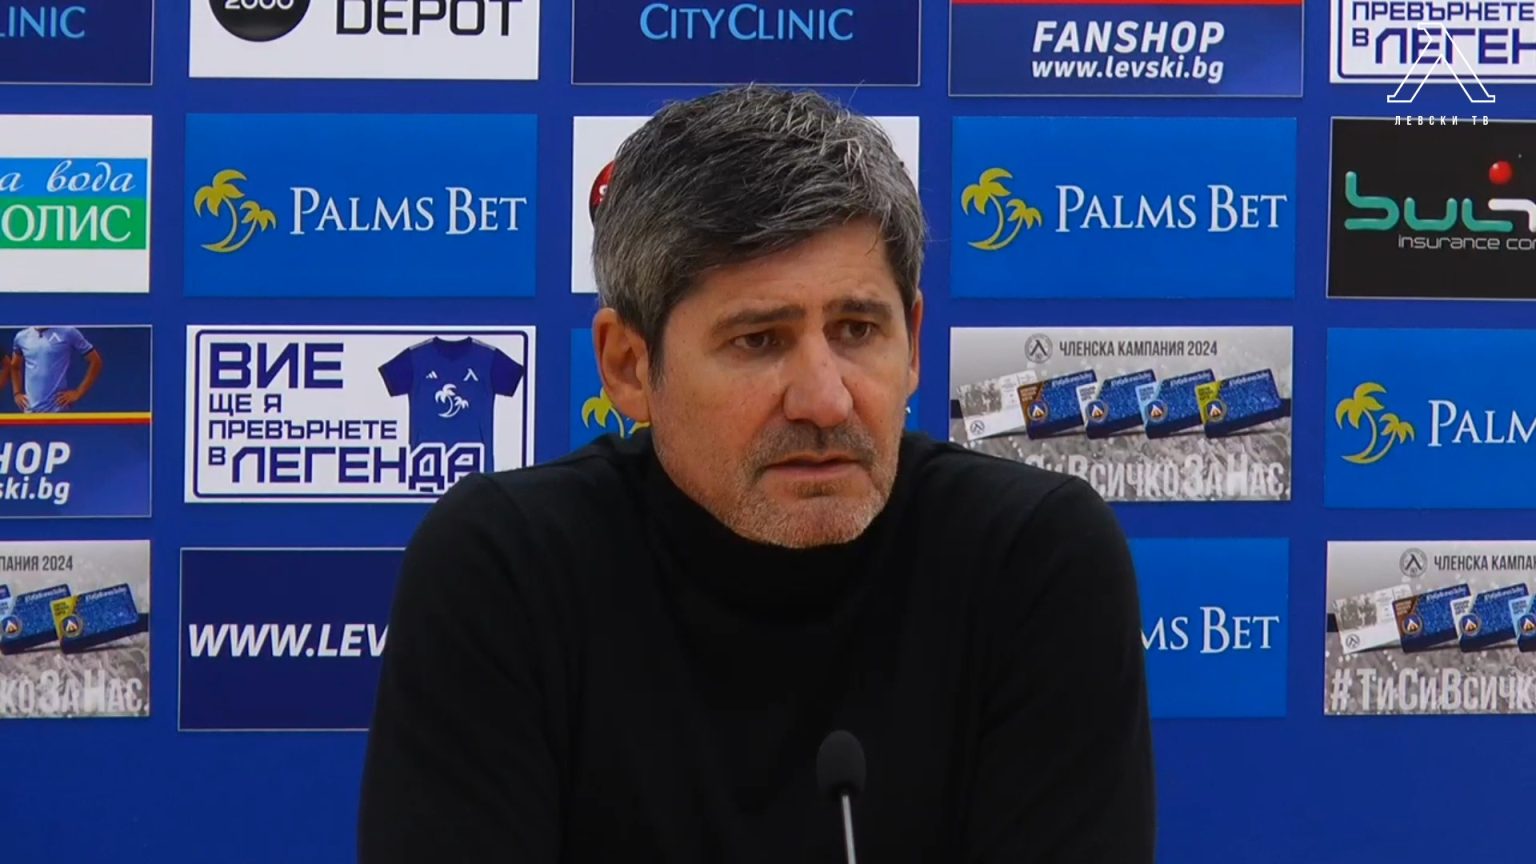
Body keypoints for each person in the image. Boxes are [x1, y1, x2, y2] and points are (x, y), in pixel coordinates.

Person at [357, 85, 1155, 863]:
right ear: (629, 365)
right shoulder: (509, 567)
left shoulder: (1028, 558)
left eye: (856, 329)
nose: (824, 398)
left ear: (913, 344)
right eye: (759, 340)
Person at [8, 325, 103, 413]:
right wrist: (17, 393)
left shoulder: (68, 332)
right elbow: (15, 366)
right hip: (30, 412)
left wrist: (78, 393)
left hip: (58, 410)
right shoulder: (21, 337)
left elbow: (95, 361)